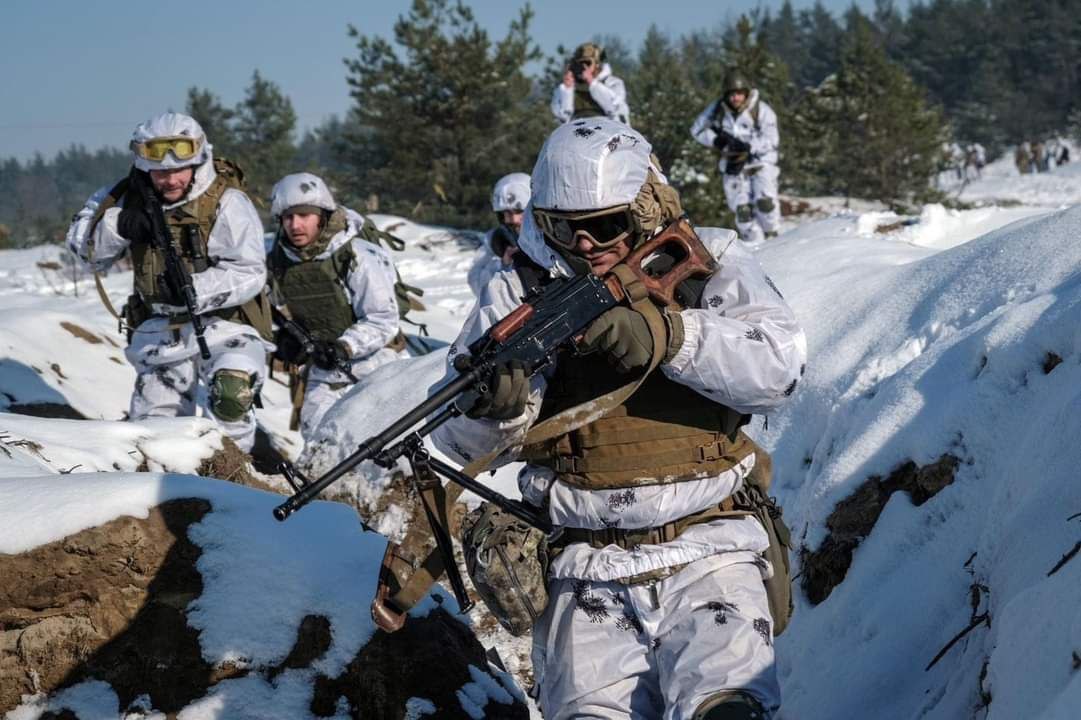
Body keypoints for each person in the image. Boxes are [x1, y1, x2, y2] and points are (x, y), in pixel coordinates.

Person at [433, 117, 806, 719]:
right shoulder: (518, 291)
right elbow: (458, 438)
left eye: (605, 226)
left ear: (644, 206)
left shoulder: (710, 260)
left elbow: (779, 368)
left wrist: (671, 336)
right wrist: (495, 407)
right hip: (583, 565)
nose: (584, 245)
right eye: (564, 229)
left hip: (709, 545)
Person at [67, 112, 271, 451]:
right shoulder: (123, 197)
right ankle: (171, 495)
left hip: (227, 327)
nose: (171, 179)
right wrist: (119, 226)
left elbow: (250, 271)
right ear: (145, 167)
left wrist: (197, 289)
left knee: (231, 398)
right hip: (160, 330)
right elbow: (81, 251)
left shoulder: (227, 201)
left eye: (180, 169)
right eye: (161, 172)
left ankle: (237, 484)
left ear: (199, 160)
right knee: (154, 436)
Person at [266, 172, 404, 440]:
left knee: (382, 444)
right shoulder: (278, 260)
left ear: (323, 216)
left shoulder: (358, 254)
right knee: (318, 445)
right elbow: (273, 310)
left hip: (378, 364)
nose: (295, 225)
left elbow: (383, 319)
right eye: (288, 217)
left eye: (304, 215)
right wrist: (284, 341)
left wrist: (345, 346)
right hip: (323, 367)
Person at [691, 70, 781, 244]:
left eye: (739, 94)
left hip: (760, 161)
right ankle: (755, 245)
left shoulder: (761, 110)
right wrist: (717, 141)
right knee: (743, 211)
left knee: (765, 203)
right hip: (733, 163)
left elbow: (772, 139)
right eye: (732, 94)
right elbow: (696, 129)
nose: (736, 98)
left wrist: (749, 146)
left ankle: (773, 238)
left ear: (746, 93)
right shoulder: (718, 109)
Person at [467, 172, 530, 297]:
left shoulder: (550, 236)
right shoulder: (496, 241)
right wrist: (503, 265)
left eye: (519, 211)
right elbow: (476, 283)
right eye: (507, 213)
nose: (514, 219)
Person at [550, 42, 630, 126]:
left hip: (609, 133)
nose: (584, 67)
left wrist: (592, 83)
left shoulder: (613, 83)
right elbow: (561, 117)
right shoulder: (568, 88)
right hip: (578, 133)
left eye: (587, 63)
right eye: (580, 64)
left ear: (597, 64)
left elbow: (615, 107)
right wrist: (567, 91)